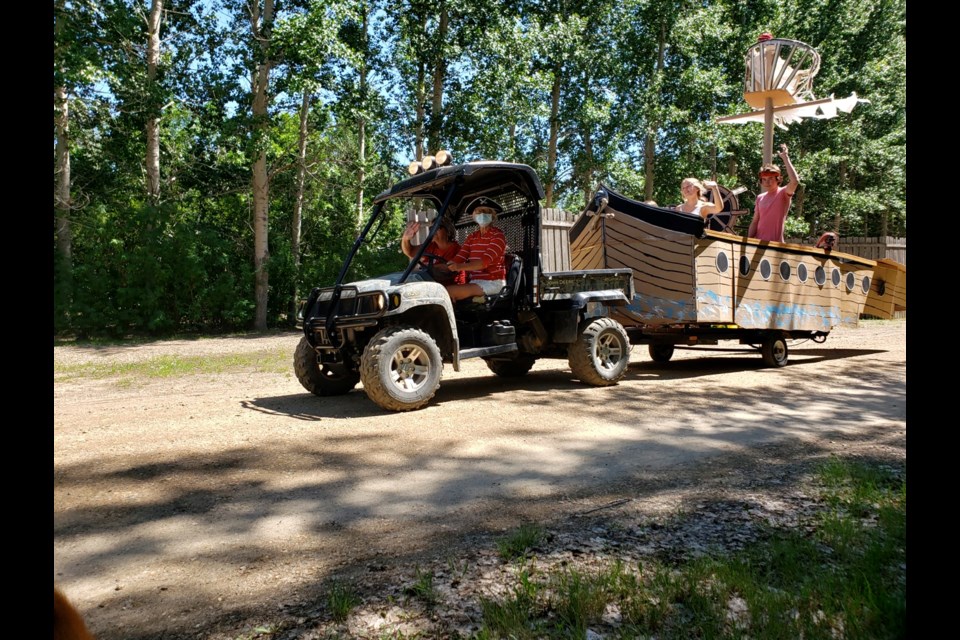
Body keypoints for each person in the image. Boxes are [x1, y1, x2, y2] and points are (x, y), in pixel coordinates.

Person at [444, 197, 508, 303]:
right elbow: (460, 257)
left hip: (493, 283)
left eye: (486, 212)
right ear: (474, 216)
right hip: (475, 281)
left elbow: (483, 263)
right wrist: (448, 265)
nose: (482, 215)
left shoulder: (498, 236)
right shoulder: (472, 237)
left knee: (446, 292)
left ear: (492, 215)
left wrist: (459, 267)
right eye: (479, 212)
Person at [747, 143, 801, 242]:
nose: (767, 182)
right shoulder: (760, 197)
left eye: (771, 178)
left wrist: (785, 158)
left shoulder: (783, 193)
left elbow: (795, 181)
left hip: (776, 245)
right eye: (764, 179)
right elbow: (755, 222)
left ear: (778, 179)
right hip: (758, 244)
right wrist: (748, 242)